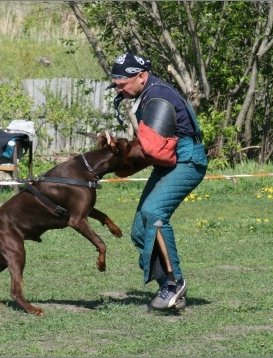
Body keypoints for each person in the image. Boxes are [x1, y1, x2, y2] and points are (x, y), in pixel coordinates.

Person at [107, 53, 208, 310]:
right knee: (140, 230)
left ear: (141, 76)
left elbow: (153, 151)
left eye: (122, 84)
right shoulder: (149, 93)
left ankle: (175, 284)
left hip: (187, 161)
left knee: (154, 212)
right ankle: (167, 287)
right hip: (173, 161)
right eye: (116, 84)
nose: (119, 89)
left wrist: (121, 157)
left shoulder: (157, 96)